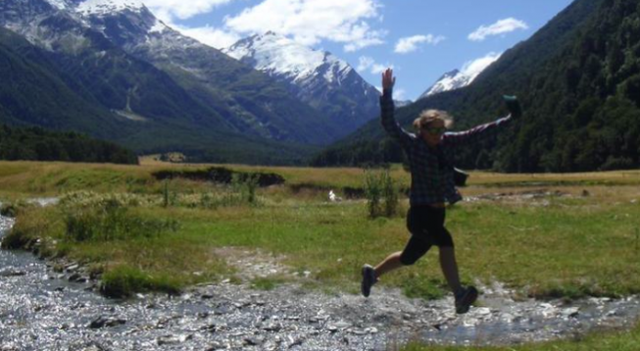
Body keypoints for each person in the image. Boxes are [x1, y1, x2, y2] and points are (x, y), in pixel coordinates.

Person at [361, 68, 522, 314]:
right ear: (422, 129)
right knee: (445, 241)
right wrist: (387, 92)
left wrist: (508, 120)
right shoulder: (413, 145)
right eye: (433, 130)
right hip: (420, 214)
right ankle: (458, 294)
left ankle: (372, 273)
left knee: (409, 256)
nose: (438, 134)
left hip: (438, 213)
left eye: (441, 130)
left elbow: (476, 133)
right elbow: (389, 124)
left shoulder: (447, 142)